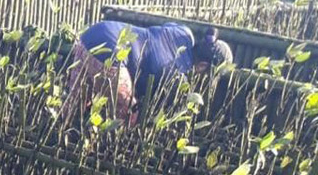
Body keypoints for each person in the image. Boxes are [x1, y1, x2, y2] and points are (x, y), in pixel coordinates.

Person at [62, 21, 232, 125]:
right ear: (202, 66)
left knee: (74, 104)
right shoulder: (178, 74)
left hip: (89, 36)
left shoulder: (184, 32)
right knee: (129, 114)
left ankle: (62, 136)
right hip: (111, 55)